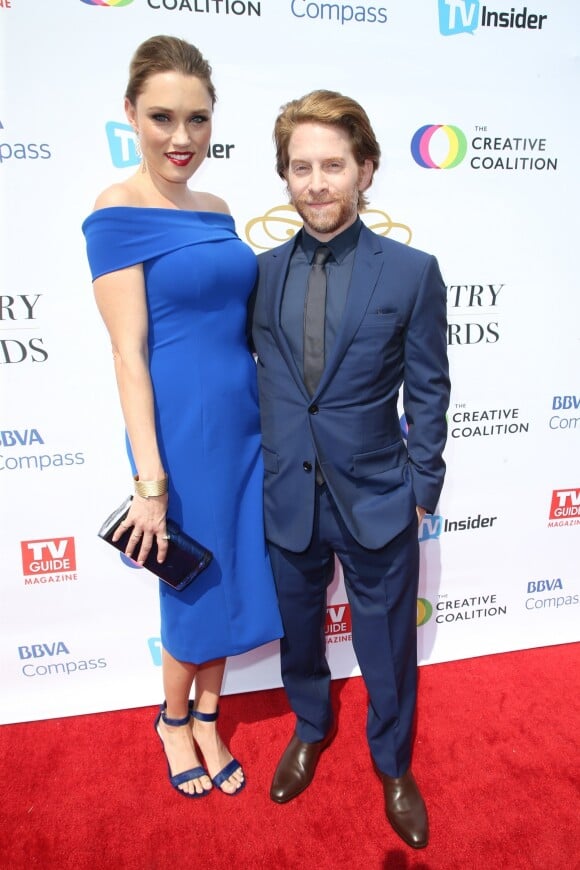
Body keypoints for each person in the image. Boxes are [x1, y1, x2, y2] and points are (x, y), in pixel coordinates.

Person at [82, 35, 282, 799]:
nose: (182, 137)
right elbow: (127, 354)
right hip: (179, 436)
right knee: (190, 581)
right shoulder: (117, 210)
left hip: (244, 425)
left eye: (197, 119)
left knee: (229, 569)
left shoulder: (218, 207)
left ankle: (209, 712)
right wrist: (150, 480)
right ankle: (173, 721)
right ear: (130, 113)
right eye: (162, 116)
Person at [251, 90, 450, 847]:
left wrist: (422, 486)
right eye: (300, 167)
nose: (316, 183)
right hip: (289, 495)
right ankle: (309, 726)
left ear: (365, 169)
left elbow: (429, 385)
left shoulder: (410, 272)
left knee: (387, 646)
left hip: (376, 496)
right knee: (300, 635)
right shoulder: (260, 273)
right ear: (285, 176)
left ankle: (393, 764)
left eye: (332, 165)